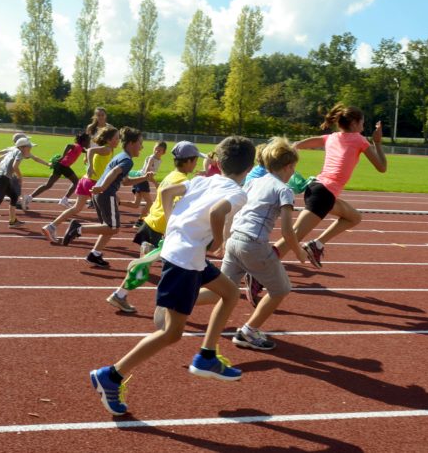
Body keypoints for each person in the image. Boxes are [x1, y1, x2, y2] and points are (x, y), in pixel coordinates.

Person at [89, 136, 255, 416]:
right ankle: (111, 375)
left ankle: (207, 355)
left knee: (229, 293)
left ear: (218, 161)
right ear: (248, 168)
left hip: (186, 253)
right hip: (185, 261)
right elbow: (217, 212)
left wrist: (173, 227)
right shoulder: (238, 192)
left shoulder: (204, 179)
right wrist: (216, 241)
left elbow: (166, 193)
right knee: (171, 333)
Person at [185, 137, 307, 350]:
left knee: (220, 291)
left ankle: (177, 299)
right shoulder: (284, 190)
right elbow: (288, 231)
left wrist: (224, 239)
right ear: (288, 167)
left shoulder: (253, 181)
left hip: (235, 239)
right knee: (281, 290)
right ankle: (249, 332)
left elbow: (234, 211)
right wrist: (299, 253)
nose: (293, 173)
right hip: (253, 243)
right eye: (293, 168)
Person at [105, 140, 203, 313]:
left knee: (148, 268)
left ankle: (122, 295)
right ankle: (120, 295)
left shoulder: (173, 176)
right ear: (188, 161)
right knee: (146, 270)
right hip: (159, 229)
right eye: (195, 160)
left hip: (152, 224)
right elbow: (175, 208)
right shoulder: (181, 181)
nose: (196, 164)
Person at [286, 104, 387, 267]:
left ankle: (316, 245)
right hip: (323, 194)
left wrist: (291, 146)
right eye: (362, 123)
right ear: (354, 123)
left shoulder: (332, 137)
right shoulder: (359, 140)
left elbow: (305, 143)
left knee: (354, 217)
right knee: (293, 237)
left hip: (317, 189)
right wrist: (378, 143)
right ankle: (260, 267)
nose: (363, 126)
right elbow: (382, 167)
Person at [67, 127, 153, 268]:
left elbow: (125, 181)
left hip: (99, 195)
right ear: (131, 143)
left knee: (107, 227)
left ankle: (94, 254)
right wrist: (102, 188)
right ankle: (78, 228)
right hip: (105, 194)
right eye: (140, 143)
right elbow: (114, 172)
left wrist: (143, 177)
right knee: (113, 228)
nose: (142, 147)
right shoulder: (127, 160)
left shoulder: (121, 156)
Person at [40, 126, 117, 244]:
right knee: (108, 214)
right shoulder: (106, 149)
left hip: (85, 181)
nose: (119, 141)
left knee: (77, 208)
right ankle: (88, 234)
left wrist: (89, 162)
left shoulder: (106, 149)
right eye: (116, 138)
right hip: (93, 183)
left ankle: (51, 226)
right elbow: (90, 151)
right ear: (108, 140)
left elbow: (91, 152)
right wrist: (91, 165)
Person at [29, 132, 91, 203]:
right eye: (88, 141)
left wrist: (88, 151)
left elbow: (84, 150)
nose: (89, 143)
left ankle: (29, 197)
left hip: (59, 165)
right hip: (64, 166)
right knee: (76, 182)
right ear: (83, 142)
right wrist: (63, 156)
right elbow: (68, 145)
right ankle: (64, 200)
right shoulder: (77, 146)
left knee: (48, 185)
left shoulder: (80, 147)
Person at [128, 141, 166, 215]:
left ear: (164, 152)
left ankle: (117, 202)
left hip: (141, 178)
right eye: (155, 149)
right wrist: (155, 183)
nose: (156, 151)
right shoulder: (151, 158)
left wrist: (154, 181)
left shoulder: (159, 160)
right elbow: (147, 173)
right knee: (149, 203)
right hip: (141, 179)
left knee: (136, 204)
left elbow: (149, 174)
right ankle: (140, 221)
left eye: (159, 150)